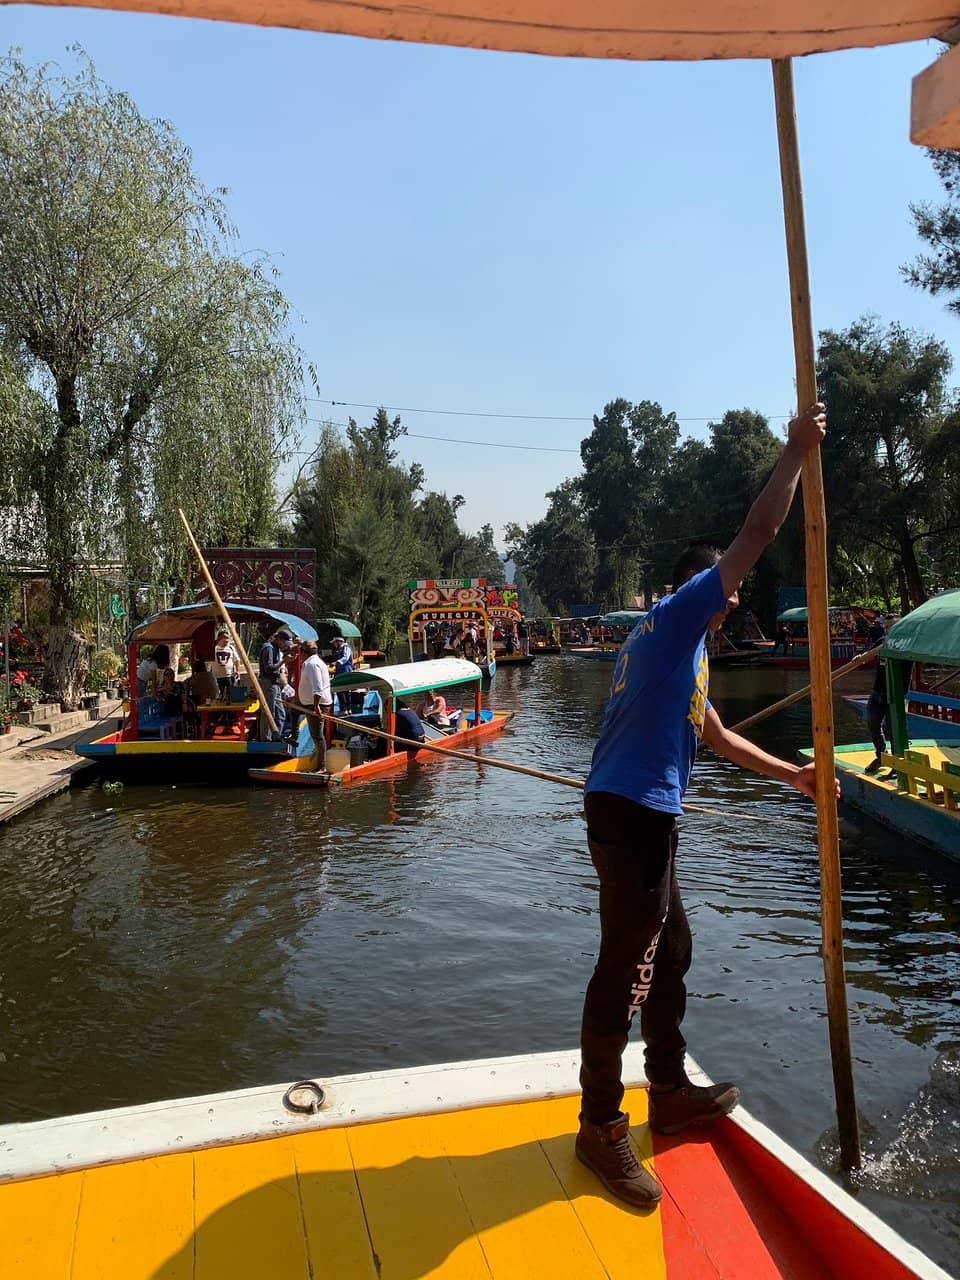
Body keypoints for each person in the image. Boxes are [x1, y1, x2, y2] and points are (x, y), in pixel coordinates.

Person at [576, 403, 839, 1210]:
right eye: (724, 590)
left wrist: (792, 776)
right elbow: (756, 536)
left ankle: (666, 1089)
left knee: (670, 948)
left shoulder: (679, 652)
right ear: (704, 585)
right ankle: (598, 1127)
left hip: (642, 813)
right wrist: (795, 452)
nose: (732, 605)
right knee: (626, 966)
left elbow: (717, 738)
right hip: (631, 812)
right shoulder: (682, 612)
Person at [258, 628, 294, 741]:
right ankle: (266, 739)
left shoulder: (276, 649)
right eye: (284, 643)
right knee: (269, 712)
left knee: (280, 713)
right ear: (279, 640)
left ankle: (276, 736)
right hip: (268, 683)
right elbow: (268, 668)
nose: (285, 646)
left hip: (275, 683)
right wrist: (283, 661)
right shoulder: (268, 648)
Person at [864, 657, 891, 775]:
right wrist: (862, 656)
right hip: (878, 691)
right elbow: (868, 654)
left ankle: (898, 765)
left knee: (891, 728)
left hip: (895, 692)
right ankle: (881, 756)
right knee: (872, 722)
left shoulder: (906, 643)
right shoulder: (883, 642)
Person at [212, 629, 239, 701]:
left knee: (230, 693)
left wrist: (237, 670)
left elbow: (237, 659)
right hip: (217, 676)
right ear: (219, 639)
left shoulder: (231, 648)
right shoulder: (213, 649)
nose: (227, 641)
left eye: (228, 639)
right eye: (225, 638)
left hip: (229, 675)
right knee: (220, 694)